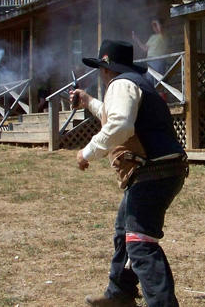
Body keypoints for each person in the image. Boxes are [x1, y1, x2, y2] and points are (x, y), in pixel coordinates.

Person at [70, 40, 188, 307]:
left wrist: (86, 152)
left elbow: (120, 126)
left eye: (101, 67)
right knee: (125, 230)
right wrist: (88, 101)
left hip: (152, 171)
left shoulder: (121, 85)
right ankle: (120, 293)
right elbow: (113, 115)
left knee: (140, 243)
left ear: (106, 69)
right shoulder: (132, 84)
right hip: (161, 169)